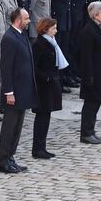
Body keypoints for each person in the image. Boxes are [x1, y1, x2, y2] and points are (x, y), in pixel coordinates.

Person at [0, 8, 35, 174]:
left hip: (23, 90)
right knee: (9, 128)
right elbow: (6, 68)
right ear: (18, 20)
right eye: (26, 19)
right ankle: (3, 160)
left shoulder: (21, 35)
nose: (29, 21)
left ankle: (11, 157)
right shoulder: (9, 38)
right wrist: (8, 92)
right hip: (14, 92)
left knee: (17, 127)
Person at [31, 18, 66, 159]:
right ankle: (38, 148)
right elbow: (34, 67)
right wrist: (46, 77)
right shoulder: (39, 44)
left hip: (50, 85)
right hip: (43, 87)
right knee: (42, 118)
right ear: (45, 29)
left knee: (46, 118)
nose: (56, 31)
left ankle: (42, 147)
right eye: (53, 29)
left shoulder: (51, 43)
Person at [78, 2, 101, 143]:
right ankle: (86, 133)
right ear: (95, 15)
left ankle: (91, 130)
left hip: (100, 72)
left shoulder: (99, 28)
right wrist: (88, 76)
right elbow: (85, 56)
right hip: (92, 74)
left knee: (96, 102)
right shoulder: (89, 31)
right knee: (90, 104)